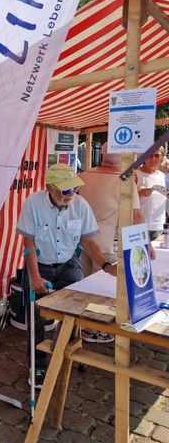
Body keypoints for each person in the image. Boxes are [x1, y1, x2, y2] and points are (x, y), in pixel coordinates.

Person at [16, 163, 117, 388]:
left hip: (67, 262)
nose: (70, 194)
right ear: (49, 188)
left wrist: (105, 264)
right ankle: (38, 364)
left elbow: (88, 242)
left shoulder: (80, 205)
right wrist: (34, 276)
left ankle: (65, 350)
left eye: (74, 189)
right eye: (65, 190)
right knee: (36, 317)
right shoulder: (33, 203)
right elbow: (28, 243)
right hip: (40, 264)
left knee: (77, 307)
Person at [78, 143, 148, 343]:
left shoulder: (84, 175)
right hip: (106, 245)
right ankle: (92, 330)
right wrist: (147, 245)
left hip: (81, 242)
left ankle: (81, 326)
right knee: (100, 293)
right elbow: (137, 216)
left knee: (81, 288)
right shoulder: (123, 180)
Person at [135, 147, 166, 241]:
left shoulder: (162, 176)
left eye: (156, 155)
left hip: (159, 227)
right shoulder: (135, 175)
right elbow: (124, 197)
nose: (153, 159)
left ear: (161, 158)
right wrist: (139, 193)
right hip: (140, 227)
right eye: (150, 155)